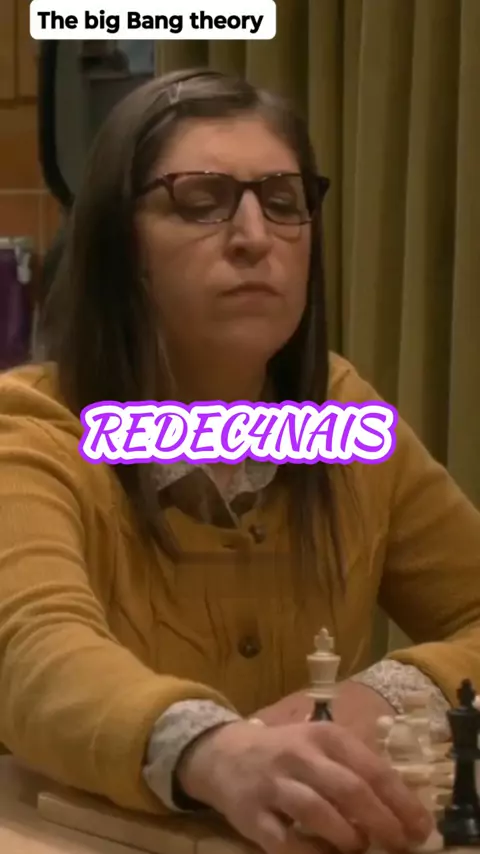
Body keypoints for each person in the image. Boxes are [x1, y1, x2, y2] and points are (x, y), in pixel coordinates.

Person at [0, 68, 479, 854]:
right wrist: (212, 751)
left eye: (283, 201)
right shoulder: (31, 427)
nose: (255, 236)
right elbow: (34, 649)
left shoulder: (341, 415)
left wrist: (388, 691)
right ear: (122, 245)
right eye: (201, 200)